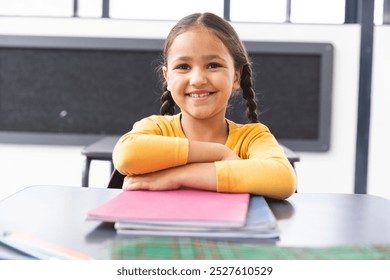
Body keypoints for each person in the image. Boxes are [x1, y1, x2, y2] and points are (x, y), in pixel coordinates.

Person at [113, 12, 296, 200]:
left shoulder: (252, 138)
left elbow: (283, 177)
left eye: (213, 65)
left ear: (236, 77)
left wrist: (177, 177)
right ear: (167, 78)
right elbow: (126, 155)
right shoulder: (156, 129)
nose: (198, 80)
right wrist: (218, 153)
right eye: (183, 66)